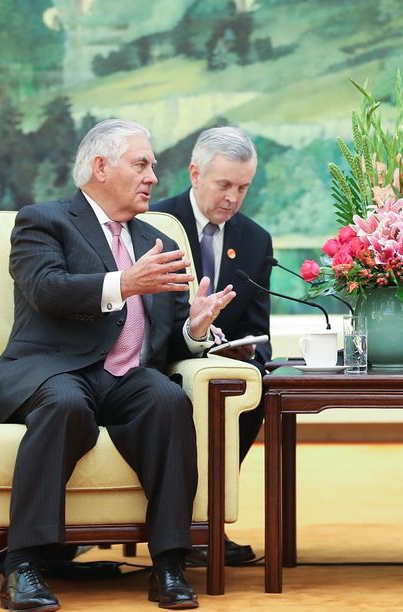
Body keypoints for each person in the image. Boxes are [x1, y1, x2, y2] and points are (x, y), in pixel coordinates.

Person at [0, 119, 236, 612]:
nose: (153, 177)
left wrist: (193, 328)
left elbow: (163, 343)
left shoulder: (156, 241)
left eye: (153, 167)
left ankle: (169, 563)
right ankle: (23, 565)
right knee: (64, 404)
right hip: (56, 370)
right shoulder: (44, 221)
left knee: (169, 399)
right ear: (101, 167)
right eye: (141, 164)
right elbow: (47, 290)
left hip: (125, 379)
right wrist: (123, 283)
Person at [150, 126, 271, 566]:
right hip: (158, 358)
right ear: (195, 173)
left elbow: (261, 329)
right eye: (224, 185)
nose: (233, 198)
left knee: (251, 383)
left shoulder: (256, 240)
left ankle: (205, 521)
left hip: (220, 367)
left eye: (243, 187)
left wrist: (248, 351)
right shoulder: (154, 225)